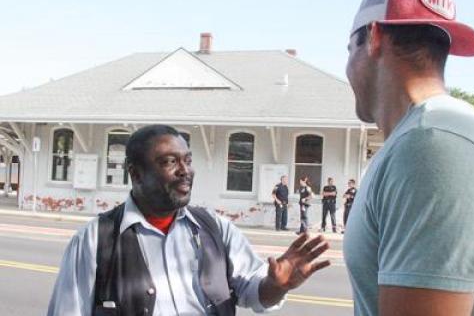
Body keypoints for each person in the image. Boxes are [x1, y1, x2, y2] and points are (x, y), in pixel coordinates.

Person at [47, 125, 331, 316]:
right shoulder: (95, 239)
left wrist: (277, 285)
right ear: (135, 174)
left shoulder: (216, 229)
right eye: (169, 162)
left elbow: (254, 293)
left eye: (188, 160)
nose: (185, 171)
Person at [343, 0, 474, 315]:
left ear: (374, 38)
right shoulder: (417, 139)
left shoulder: (431, 145)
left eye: (348, 50)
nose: (347, 65)